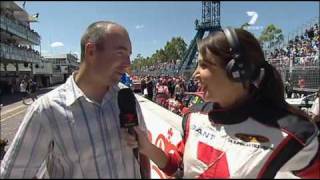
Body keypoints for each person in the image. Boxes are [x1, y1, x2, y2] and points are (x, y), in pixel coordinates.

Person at [123, 28, 320, 178]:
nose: (195, 74)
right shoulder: (194, 116)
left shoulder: (294, 133)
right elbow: (178, 169)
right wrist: (146, 148)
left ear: (238, 70)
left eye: (204, 65)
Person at [1, 21, 149, 178]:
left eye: (129, 55)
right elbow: (13, 174)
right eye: (120, 53)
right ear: (91, 51)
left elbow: (143, 149)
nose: (128, 64)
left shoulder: (126, 96)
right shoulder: (46, 111)